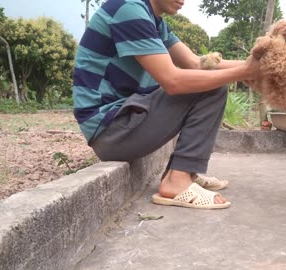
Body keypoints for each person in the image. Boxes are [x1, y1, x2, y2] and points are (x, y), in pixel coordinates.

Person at [72, 0, 260, 209]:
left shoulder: (154, 21)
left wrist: (260, 67)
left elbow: (196, 63)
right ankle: (176, 181)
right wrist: (246, 72)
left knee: (211, 79)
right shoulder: (128, 9)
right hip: (111, 131)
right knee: (213, 86)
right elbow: (172, 81)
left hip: (122, 123)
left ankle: (184, 173)